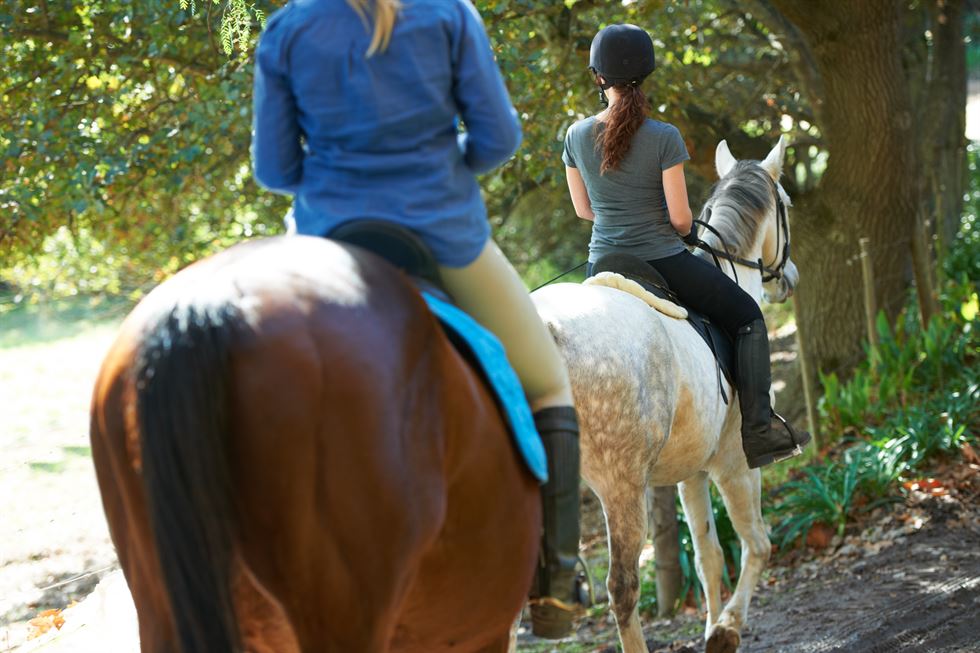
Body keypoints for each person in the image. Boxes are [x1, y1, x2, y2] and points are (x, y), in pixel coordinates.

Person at [251, 0, 585, 637]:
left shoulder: (289, 29)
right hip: (442, 234)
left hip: (328, 240)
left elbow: (275, 169)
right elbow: (498, 139)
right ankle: (556, 586)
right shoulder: (447, 15)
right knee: (546, 382)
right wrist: (440, 161)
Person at [562, 23, 810, 469]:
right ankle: (759, 431)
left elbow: (584, 210)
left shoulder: (576, 136)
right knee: (749, 317)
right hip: (663, 261)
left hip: (601, 263)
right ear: (646, 73)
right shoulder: (664, 136)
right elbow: (680, 220)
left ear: (599, 77)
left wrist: (619, 219)